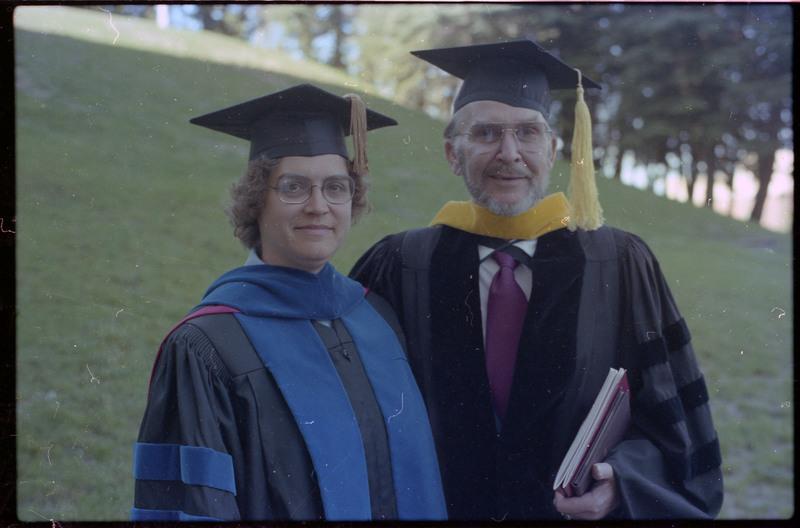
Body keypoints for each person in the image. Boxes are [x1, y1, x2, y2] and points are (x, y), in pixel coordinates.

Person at [350, 41, 723, 520]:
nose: (510, 154)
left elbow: (677, 427)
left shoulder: (619, 262)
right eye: (485, 133)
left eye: (527, 133)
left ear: (551, 150)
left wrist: (621, 483)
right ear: (452, 153)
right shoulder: (401, 263)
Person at [132, 83, 447, 522]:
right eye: (294, 187)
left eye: (336, 187)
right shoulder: (206, 347)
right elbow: (191, 508)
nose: (318, 206)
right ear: (256, 199)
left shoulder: (374, 316)